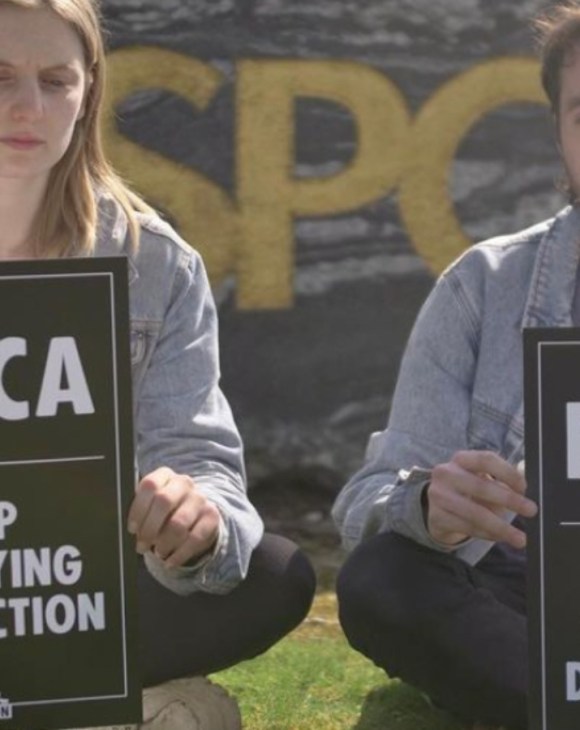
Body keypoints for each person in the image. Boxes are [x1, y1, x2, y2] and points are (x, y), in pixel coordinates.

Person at [0, 0, 316, 728]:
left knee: (270, 573)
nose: (27, 105)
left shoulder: (156, 263)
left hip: (72, 589)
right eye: (1, 77)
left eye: (56, 80)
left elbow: (201, 459)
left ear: (89, 95)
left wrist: (195, 516)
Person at [331, 3, 580, 730]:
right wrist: (432, 507)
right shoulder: (485, 285)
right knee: (381, 577)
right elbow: (370, 501)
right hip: (532, 598)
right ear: (561, 134)